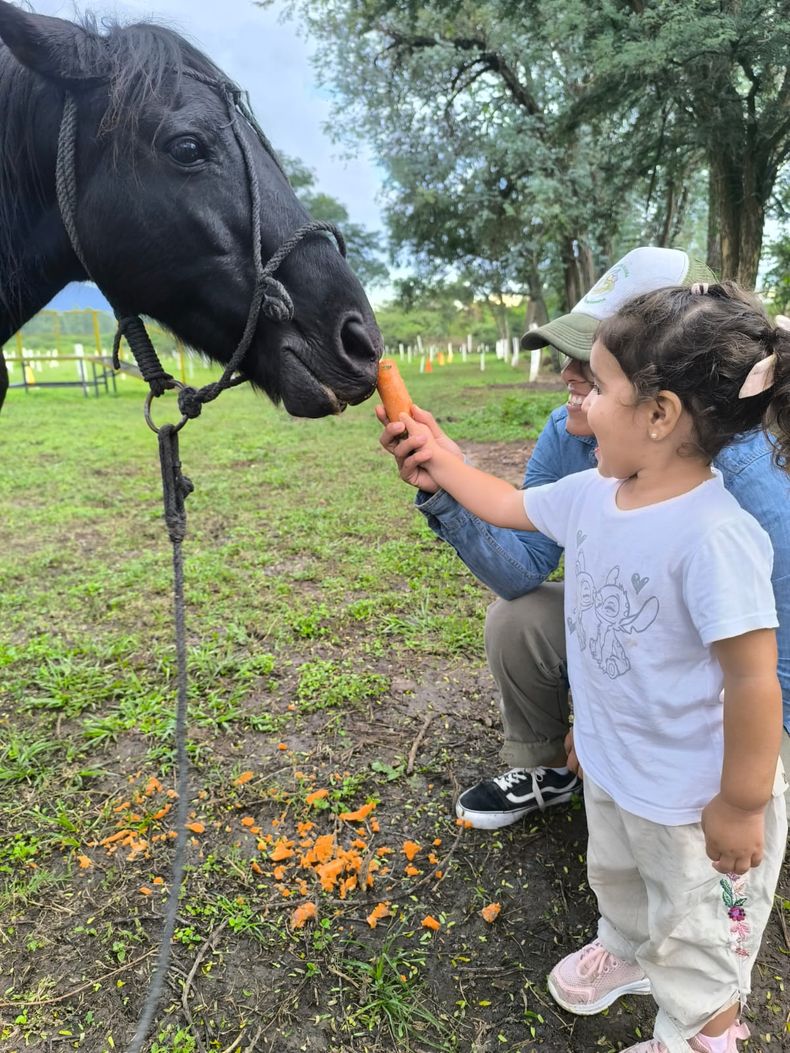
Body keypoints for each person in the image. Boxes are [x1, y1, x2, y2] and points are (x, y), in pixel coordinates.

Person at [392, 280, 788, 1053]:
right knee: (621, 878)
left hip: (693, 798)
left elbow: (752, 677)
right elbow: (506, 503)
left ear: (660, 414)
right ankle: (627, 947)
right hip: (617, 767)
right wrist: (439, 457)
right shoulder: (598, 492)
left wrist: (741, 804)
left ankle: (703, 1033)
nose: (577, 401)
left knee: (697, 930)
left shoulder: (716, 536)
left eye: (597, 385)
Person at [377, 246, 790, 829]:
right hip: (640, 660)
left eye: (593, 368)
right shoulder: (579, 445)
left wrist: (742, 790)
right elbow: (520, 559)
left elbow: (767, 666)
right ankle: (553, 770)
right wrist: (444, 472)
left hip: (719, 714)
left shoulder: (744, 490)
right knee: (516, 619)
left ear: (663, 410)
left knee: (689, 905)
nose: (568, 376)